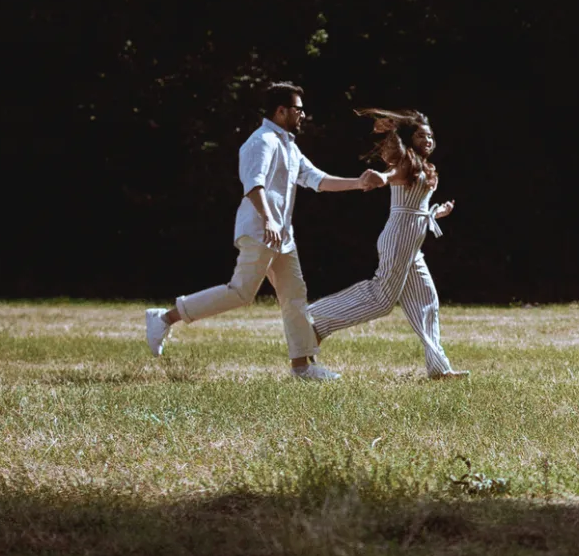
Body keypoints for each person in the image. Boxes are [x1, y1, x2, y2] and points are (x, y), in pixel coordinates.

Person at [144, 82, 389, 379]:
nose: (303, 115)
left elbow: (317, 179)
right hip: (261, 231)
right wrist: (270, 220)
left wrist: (359, 183)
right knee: (241, 292)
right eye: (298, 109)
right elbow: (254, 185)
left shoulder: (288, 144)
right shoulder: (261, 141)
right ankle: (165, 317)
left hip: (282, 237)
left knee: (294, 295)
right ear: (281, 110)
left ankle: (301, 367)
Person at [305, 108, 466, 378]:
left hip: (412, 243)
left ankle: (439, 368)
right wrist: (380, 178)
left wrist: (438, 213)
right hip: (400, 235)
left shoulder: (425, 166)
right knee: (382, 300)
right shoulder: (407, 162)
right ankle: (311, 319)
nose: (427, 140)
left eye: (430, 136)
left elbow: (417, 206)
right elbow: (391, 176)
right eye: (421, 136)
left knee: (427, 299)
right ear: (411, 139)